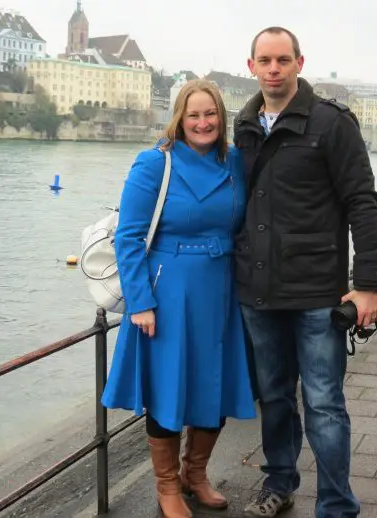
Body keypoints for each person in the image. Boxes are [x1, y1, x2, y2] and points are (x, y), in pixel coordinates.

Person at [233, 26, 377, 518]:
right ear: (251, 66)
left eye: (283, 59)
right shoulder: (245, 123)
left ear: (300, 62)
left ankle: (337, 504)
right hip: (259, 291)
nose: (274, 69)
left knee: (323, 403)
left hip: (318, 291)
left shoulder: (332, 123)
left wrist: (367, 286)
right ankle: (279, 482)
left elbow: (363, 202)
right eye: (265, 61)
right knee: (274, 398)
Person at [101, 79, 256, 518]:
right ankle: (167, 485)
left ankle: (196, 473)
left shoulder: (235, 162)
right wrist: (142, 301)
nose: (203, 122)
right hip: (167, 293)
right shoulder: (154, 163)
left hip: (220, 290)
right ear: (180, 119)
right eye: (194, 115)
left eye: (211, 114)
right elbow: (129, 239)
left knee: (215, 385)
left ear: (221, 119)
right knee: (168, 390)